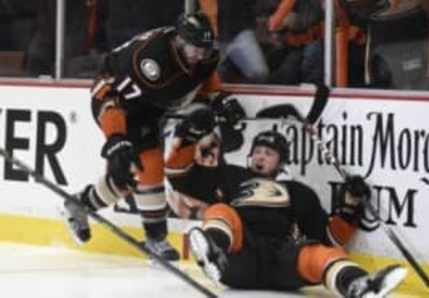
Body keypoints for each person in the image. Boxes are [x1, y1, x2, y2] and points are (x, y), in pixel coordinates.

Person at [62, 11, 226, 262]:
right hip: (116, 102)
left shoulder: (204, 55)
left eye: (204, 49)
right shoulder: (150, 59)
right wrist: (116, 138)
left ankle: (80, 204)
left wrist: (219, 100)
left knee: (130, 176)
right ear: (179, 41)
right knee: (145, 166)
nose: (200, 56)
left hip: (149, 106)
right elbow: (110, 96)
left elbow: (205, 77)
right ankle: (156, 239)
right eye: (195, 49)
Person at [165, 128, 407, 297]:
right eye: (257, 151)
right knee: (220, 210)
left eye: (269, 153)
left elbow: (331, 238)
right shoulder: (231, 176)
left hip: (281, 259)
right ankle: (214, 252)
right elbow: (181, 180)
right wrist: (186, 139)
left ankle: (356, 284)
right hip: (237, 258)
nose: (260, 156)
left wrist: (350, 205)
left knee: (317, 253)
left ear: (281, 163)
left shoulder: (298, 191)